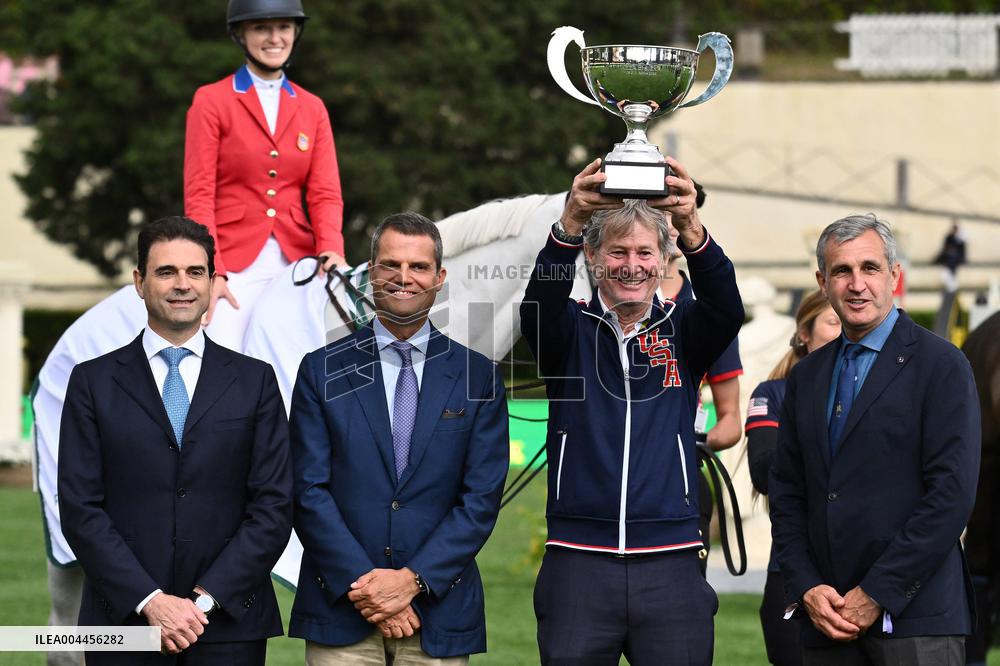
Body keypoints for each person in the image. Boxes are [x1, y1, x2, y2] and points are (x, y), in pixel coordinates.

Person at [521, 157, 744, 664]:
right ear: (594, 260)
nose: (632, 264)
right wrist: (570, 224)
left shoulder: (685, 330)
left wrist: (691, 227)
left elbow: (728, 308)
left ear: (664, 261)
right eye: (617, 251)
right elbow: (538, 302)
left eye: (645, 252)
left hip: (670, 563)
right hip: (578, 563)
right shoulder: (568, 334)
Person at [57, 217, 293, 664]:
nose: (182, 285)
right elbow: (80, 507)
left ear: (210, 282)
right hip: (123, 623)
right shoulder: (92, 382)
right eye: (166, 272)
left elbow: (275, 505)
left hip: (226, 623)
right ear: (139, 282)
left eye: (195, 272)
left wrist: (203, 601)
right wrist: (151, 601)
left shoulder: (255, 382)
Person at [288, 212, 509, 664]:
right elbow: (307, 490)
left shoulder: (477, 375)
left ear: (439, 277)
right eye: (390, 265)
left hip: (438, 613)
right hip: (342, 613)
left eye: (418, 266)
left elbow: (481, 498)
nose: (403, 278)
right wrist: (369, 588)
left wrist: (411, 582)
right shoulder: (320, 369)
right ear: (371, 274)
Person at [769, 213, 980, 665]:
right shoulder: (806, 377)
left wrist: (877, 592)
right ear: (822, 282)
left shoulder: (942, 365)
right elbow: (788, 493)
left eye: (870, 268)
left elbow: (951, 496)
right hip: (826, 620)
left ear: (894, 276)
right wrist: (807, 586)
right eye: (842, 271)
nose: (856, 284)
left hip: (916, 622)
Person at [184, 0, 345, 349]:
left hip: (299, 261)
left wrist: (331, 247)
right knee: (223, 352)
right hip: (231, 259)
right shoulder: (211, 101)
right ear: (241, 34)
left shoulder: (312, 107)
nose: (275, 38)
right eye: (262, 28)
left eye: (284, 27)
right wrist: (212, 269)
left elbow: (325, 192)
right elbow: (199, 195)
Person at [744, 290, 842, 666]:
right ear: (804, 333)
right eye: (833, 322)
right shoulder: (774, 394)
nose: (844, 330)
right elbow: (764, 471)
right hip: (791, 570)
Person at [657, 188, 743, 574]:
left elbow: (730, 419)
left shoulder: (708, 312)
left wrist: (693, 443)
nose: (670, 228)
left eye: (678, 217)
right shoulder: (598, 299)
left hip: (681, 477)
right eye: (659, 215)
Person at [933, 222, 967, 294]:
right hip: (949, 255)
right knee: (950, 257)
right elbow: (945, 247)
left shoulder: (960, 239)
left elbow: (962, 251)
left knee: (953, 258)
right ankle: (950, 277)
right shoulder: (949, 237)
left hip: (956, 257)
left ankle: (950, 276)